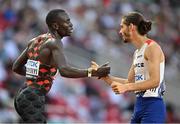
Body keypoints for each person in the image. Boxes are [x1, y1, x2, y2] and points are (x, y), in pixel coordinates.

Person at [12, 9, 110, 123]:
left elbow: (16, 67)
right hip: (33, 96)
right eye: (67, 22)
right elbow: (64, 71)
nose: (71, 25)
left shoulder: (35, 41)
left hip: (23, 93)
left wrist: (36, 75)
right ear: (55, 26)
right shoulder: (55, 43)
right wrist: (93, 72)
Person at [91, 12, 166, 123]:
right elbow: (128, 82)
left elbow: (155, 81)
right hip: (139, 105)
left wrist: (127, 87)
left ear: (131, 27)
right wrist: (104, 77)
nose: (120, 31)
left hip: (153, 106)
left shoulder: (152, 47)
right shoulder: (137, 53)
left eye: (122, 26)